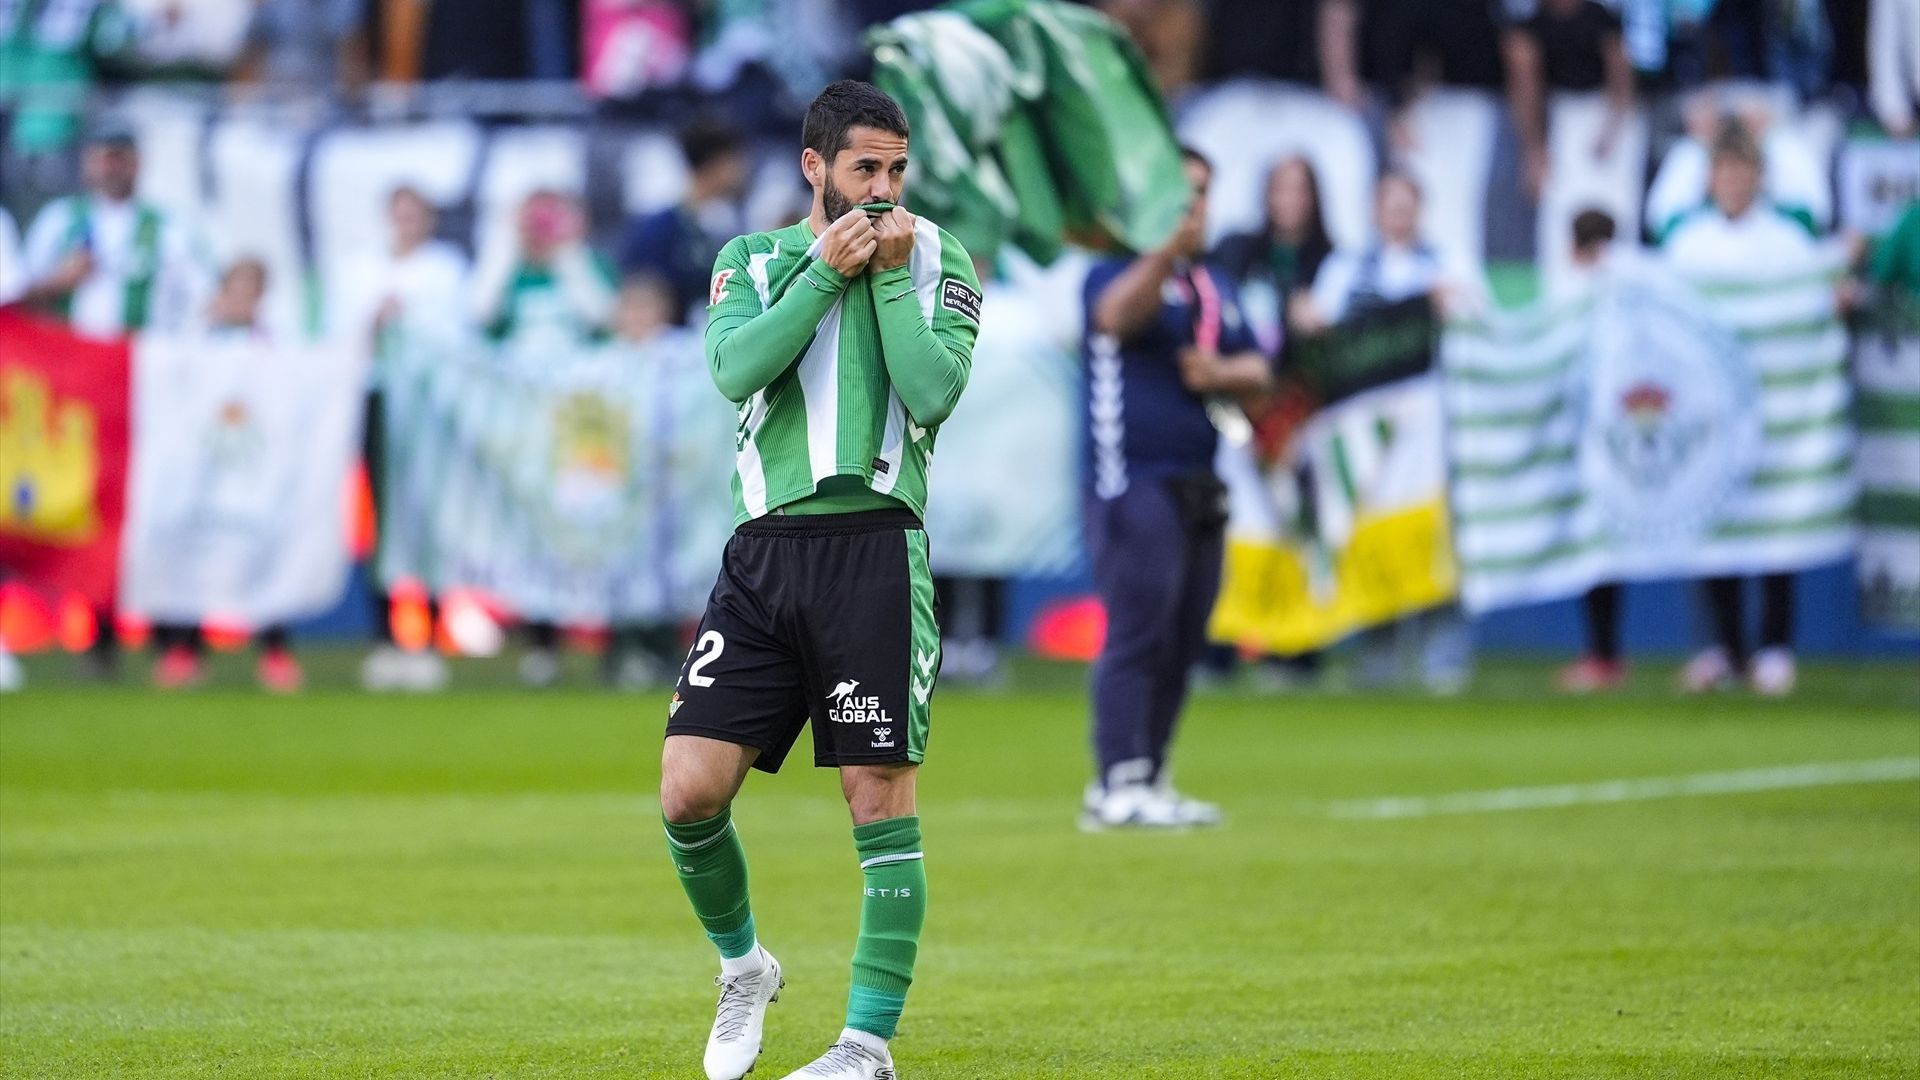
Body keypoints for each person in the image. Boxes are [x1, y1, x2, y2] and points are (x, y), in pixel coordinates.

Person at [658, 80, 982, 1080]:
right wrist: (821, 278)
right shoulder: (751, 259)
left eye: (896, 171)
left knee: (877, 799)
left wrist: (882, 279)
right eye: (864, 171)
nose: (884, 193)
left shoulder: (938, 258)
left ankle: (865, 1046)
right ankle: (744, 965)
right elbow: (735, 369)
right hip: (765, 554)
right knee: (686, 794)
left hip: (877, 550)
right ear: (815, 169)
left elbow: (933, 390)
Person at [1080, 147, 1273, 829]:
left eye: (1202, 195)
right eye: (1181, 194)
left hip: (1200, 478)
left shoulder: (1214, 284)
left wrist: (1221, 375)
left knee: (1185, 635)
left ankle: (1153, 774)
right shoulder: (1114, 268)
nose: (1194, 207)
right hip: (1130, 476)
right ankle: (1115, 780)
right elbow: (1114, 317)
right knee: (1139, 627)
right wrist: (1164, 248)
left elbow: (1260, 367)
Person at [21, 118, 209, 679]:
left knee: (161, 507)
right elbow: (23, 297)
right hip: (79, 396)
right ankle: (97, 637)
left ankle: (176, 640)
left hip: (147, 389)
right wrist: (60, 283)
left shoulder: (169, 229)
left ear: (136, 164)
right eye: (101, 156)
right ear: (87, 164)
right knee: (88, 512)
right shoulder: (61, 223)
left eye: (119, 156)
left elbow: (203, 297)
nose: (109, 166)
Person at [1295, 172, 1477, 694]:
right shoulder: (1348, 269)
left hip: (1430, 430)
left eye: (1407, 203)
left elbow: (1476, 318)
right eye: (1389, 203)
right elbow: (1321, 329)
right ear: (1374, 210)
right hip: (1364, 432)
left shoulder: (1447, 263)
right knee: (1370, 533)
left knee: (1434, 533)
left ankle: (1444, 649)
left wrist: (1448, 303)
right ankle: (1380, 648)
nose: (1398, 213)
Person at [1661, 118, 1825, 696]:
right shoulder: (1687, 244)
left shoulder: (1787, 241)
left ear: (1758, 176)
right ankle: (1724, 649)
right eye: (1723, 171)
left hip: (1774, 406)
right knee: (1712, 525)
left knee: (1776, 523)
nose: (1732, 181)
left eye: (1742, 170)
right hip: (1709, 415)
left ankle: (1775, 647)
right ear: (1709, 179)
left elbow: (1812, 304)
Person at [473, 187, 617, 686]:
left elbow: (601, 316)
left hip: (580, 426)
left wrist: (569, 254)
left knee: (589, 522)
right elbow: (484, 317)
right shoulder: (508, 272)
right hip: (524, 424)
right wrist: (508, 251)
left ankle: (609, 640)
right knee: (531, 531)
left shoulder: (585, 265)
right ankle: (541, 640)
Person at [149, 258, 303, 693]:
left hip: (254, 468)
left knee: (261, 553)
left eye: (251, 288)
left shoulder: (275, 340)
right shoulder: (195, 336)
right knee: (191, 550)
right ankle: (184, 650)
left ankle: (274, 652)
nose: (241, 298)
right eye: (235, 287)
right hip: (203, 468)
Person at [349, 185, 468, 693]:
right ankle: (385, 634)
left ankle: (433, 633)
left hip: (429, 402)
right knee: (380, 515)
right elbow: (343, 335)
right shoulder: (360, 269)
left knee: (430, 514)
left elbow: (459, 337)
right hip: (379, 398)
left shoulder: (446, 269)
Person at [1502, 0, 1644, 296]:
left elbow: (1621, 74)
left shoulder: (1600, 16)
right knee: (1558, 217)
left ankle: (1622, 295)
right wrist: (1534, 151)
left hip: (1607, 116)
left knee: (1616, 213)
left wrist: (1612, 128)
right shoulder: (1530, 25)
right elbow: (1524, 89)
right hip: (1561, 120)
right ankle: (1562, 299)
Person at [1553, 210, 1629, 693]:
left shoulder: (1626, 302)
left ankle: (1606, 653)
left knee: (1605, 550)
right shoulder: (1566, 302)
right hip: (1582, 444)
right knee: (1593, 551)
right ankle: (1601, 652)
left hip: (1618, 444)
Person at [618, 119, 752, 325]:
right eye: (736, 162)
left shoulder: (733, 225)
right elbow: (640, 296)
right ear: (716, 164)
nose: (742, 171)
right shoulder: (656, 231)